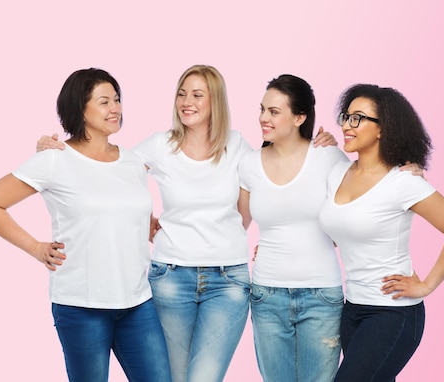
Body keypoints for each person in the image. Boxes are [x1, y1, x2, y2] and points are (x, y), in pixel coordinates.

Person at [36, 65, 338, 382]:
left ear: (215, 102)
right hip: (170, 278)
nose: (186, 102)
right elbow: (106, 170)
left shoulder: (236, 147)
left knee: (204, 378)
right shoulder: (160, 145)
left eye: (197, 95)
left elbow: (263, 191)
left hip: (228, 281)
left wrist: (319, 144)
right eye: (181, 94)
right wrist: (58, 152)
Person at [0, 68, 172, 382]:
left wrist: (145, 225)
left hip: (137, 301)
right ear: (80, 108)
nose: (116, 108)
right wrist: (36, 248)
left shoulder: (133, 162)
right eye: (104, 101)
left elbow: (120, 207)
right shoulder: (54, 159)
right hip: (81, 305)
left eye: (117, 100)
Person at [317, 84, 444, 382]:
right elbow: (338, 234)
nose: (348, 126)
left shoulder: (402, 181)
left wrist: (427, 285)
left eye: (358, 118)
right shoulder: (337, 174)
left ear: (382, 129)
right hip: (352, 310)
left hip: (393, 314)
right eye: (346, 116)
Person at [238, 74, 347, 382]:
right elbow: (238, 224)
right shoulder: (249, 163)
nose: (263, 118)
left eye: (274, 112)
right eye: (262, 109)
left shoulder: (327, 158)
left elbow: (349, 224)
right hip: (267, 295)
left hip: (321, 296)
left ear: (300, 117)